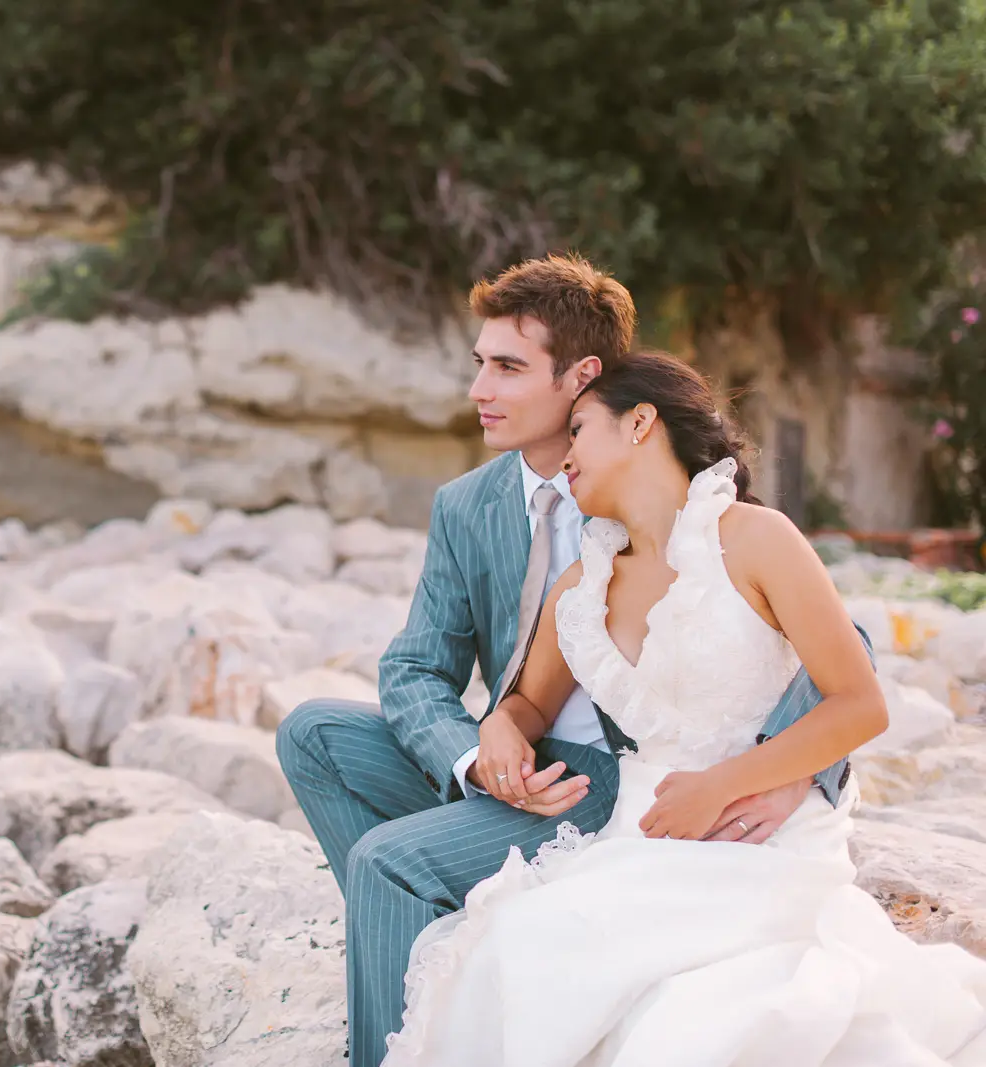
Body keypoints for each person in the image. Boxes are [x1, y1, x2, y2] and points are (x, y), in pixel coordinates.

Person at [276, 254, 853, 1067]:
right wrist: (480, 750)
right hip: (518, 767)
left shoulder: (662, 498)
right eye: (480, 363)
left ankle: (414, 963)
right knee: (311, 732)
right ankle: (437, 947)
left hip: (612, 779)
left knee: (388, 864)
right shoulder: (466, 504)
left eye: (508, 367)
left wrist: (781, 770)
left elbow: (834, 650)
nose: (479, 389)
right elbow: (413, 669)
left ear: (581, 377)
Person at [381, 352, 986, 1067]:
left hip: (762, 834)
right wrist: (500, 727)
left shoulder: (757, 539)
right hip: (636, 834)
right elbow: (525, 706)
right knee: (518, 955)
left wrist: (723, 784)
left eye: (579, 430)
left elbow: (859, 705)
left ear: (640, 422)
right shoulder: (581, 585)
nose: (564, 457)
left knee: (703, 1018)